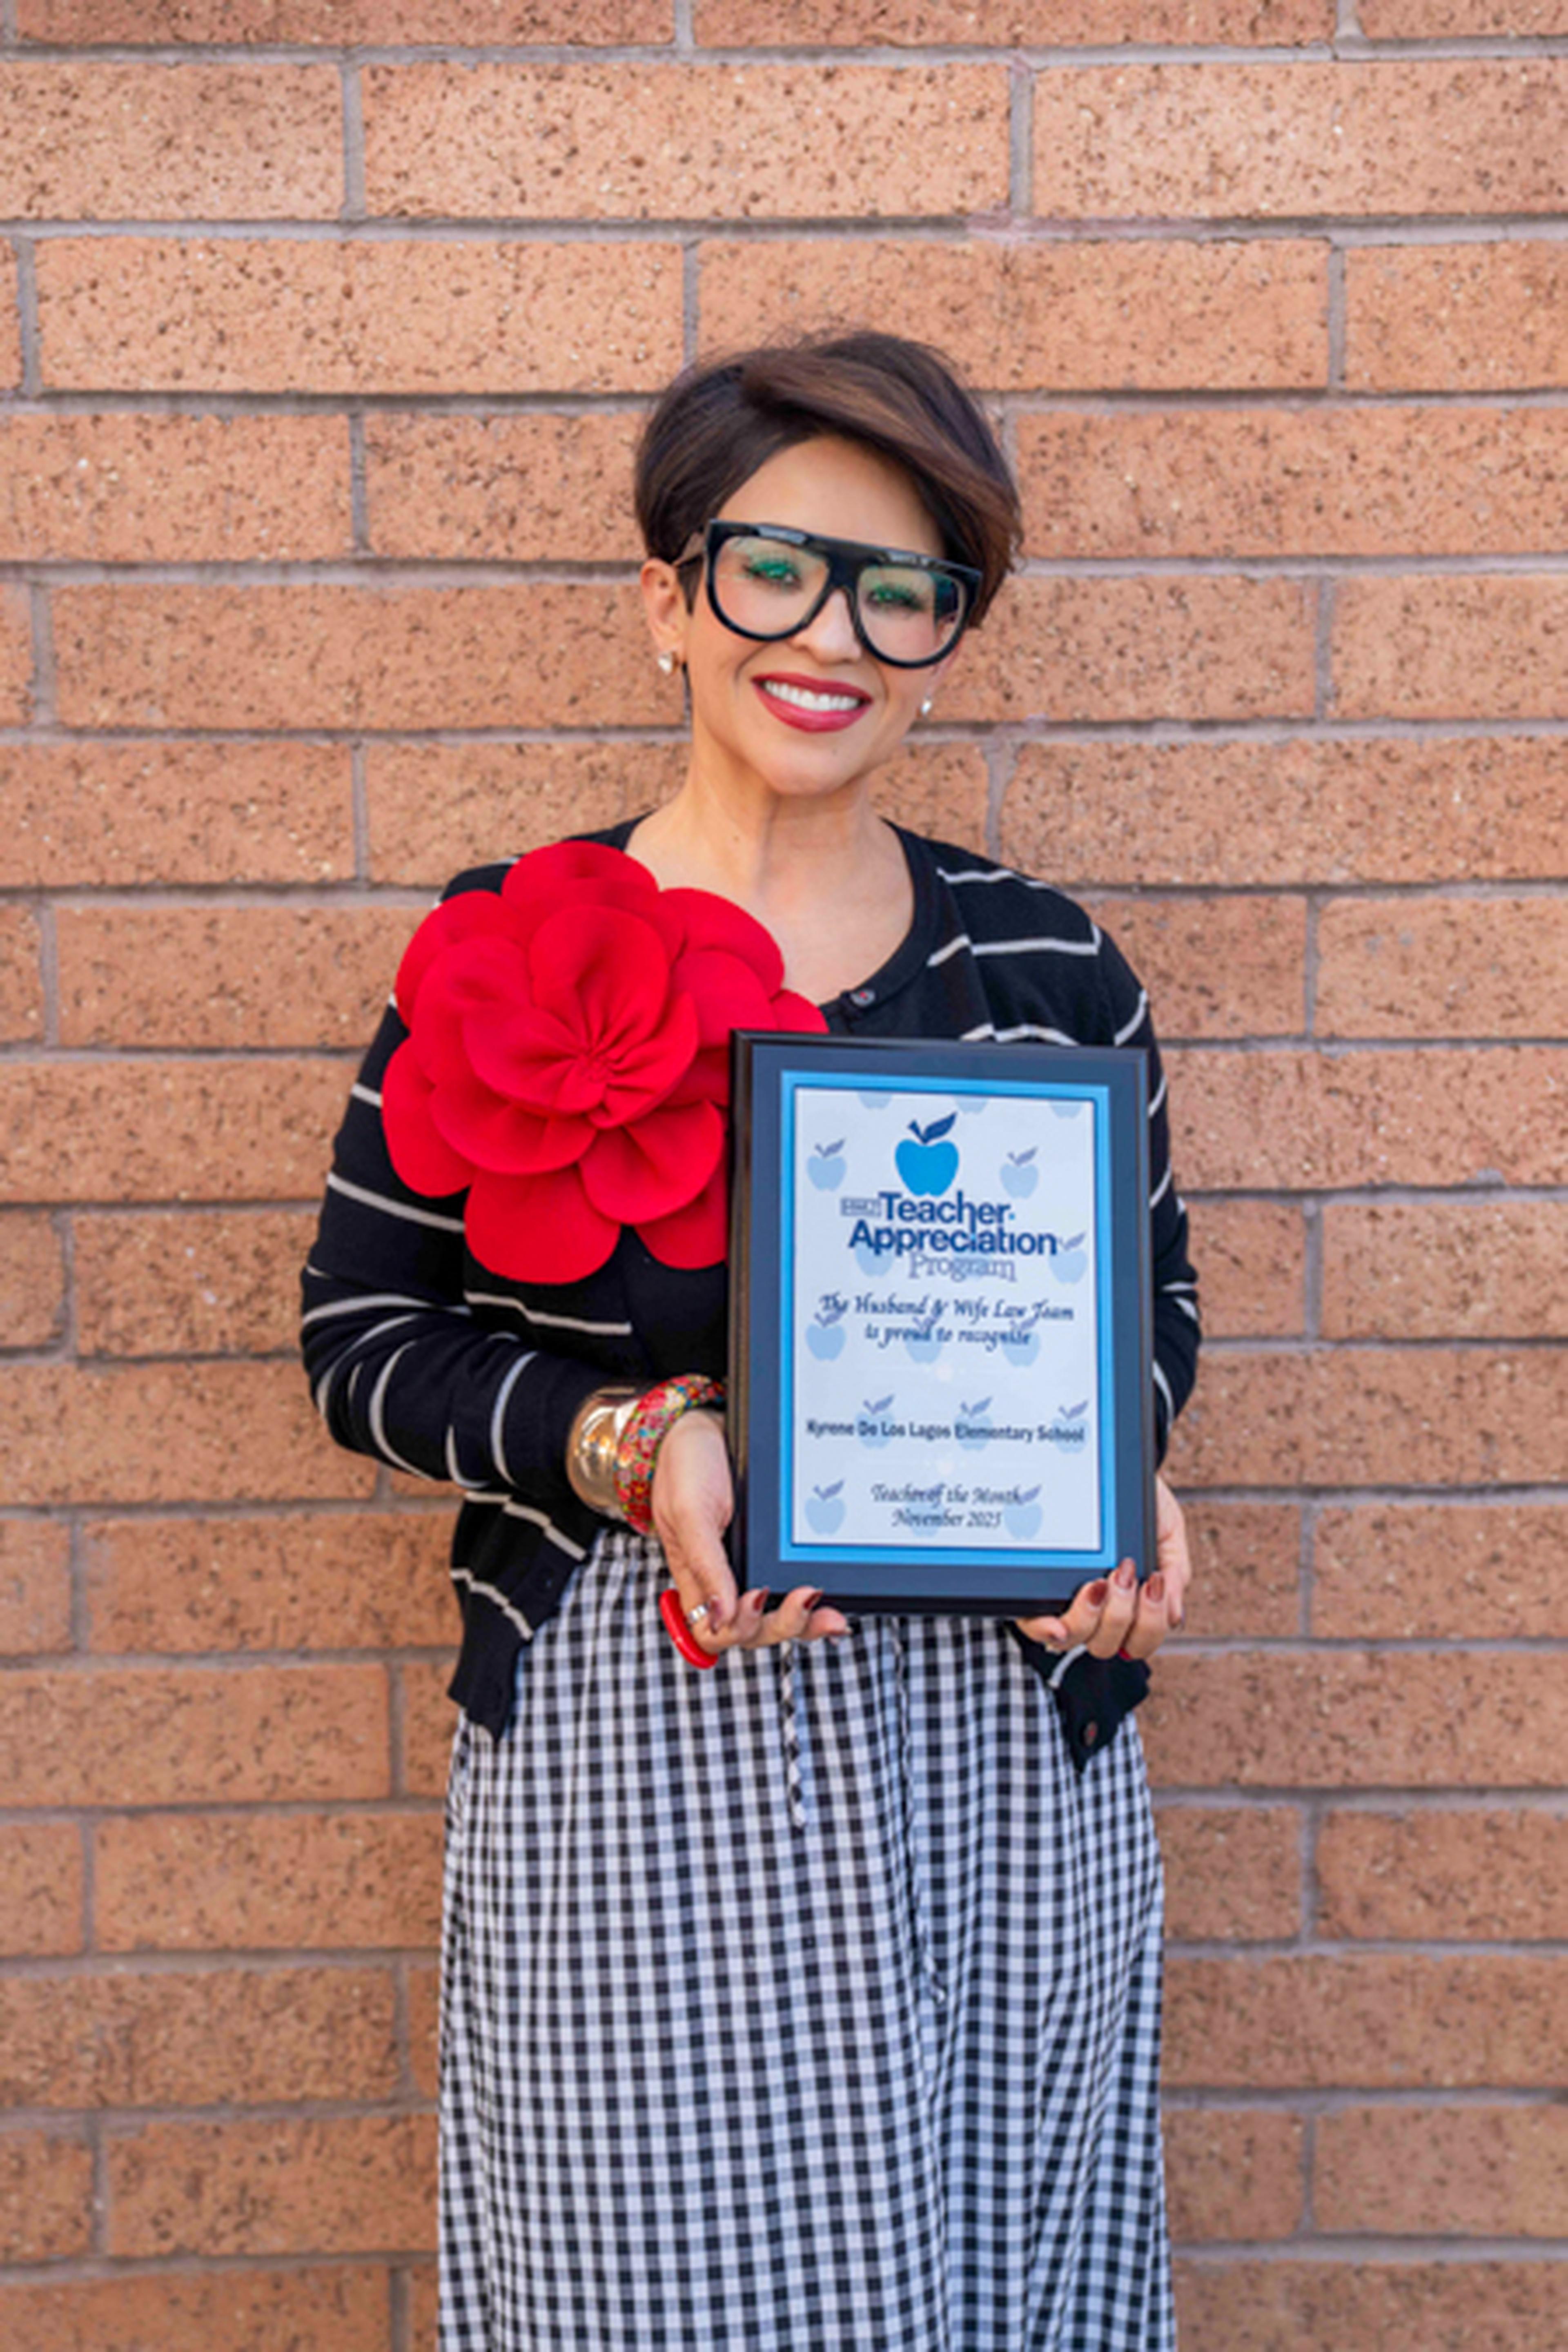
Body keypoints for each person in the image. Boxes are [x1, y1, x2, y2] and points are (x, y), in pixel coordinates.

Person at [302, 331, 1199, 2352]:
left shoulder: (1049, 964)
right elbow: (361, 1337)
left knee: (1006, 2297)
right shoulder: (504, 938)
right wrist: (630, 1443)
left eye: (906, 588)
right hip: (642, 1749)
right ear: (668, 598)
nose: (838, 636)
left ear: (949, 636)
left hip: (1000, 1765)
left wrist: (1129, 1471)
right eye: (776, 566)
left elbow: (1152, 1305)